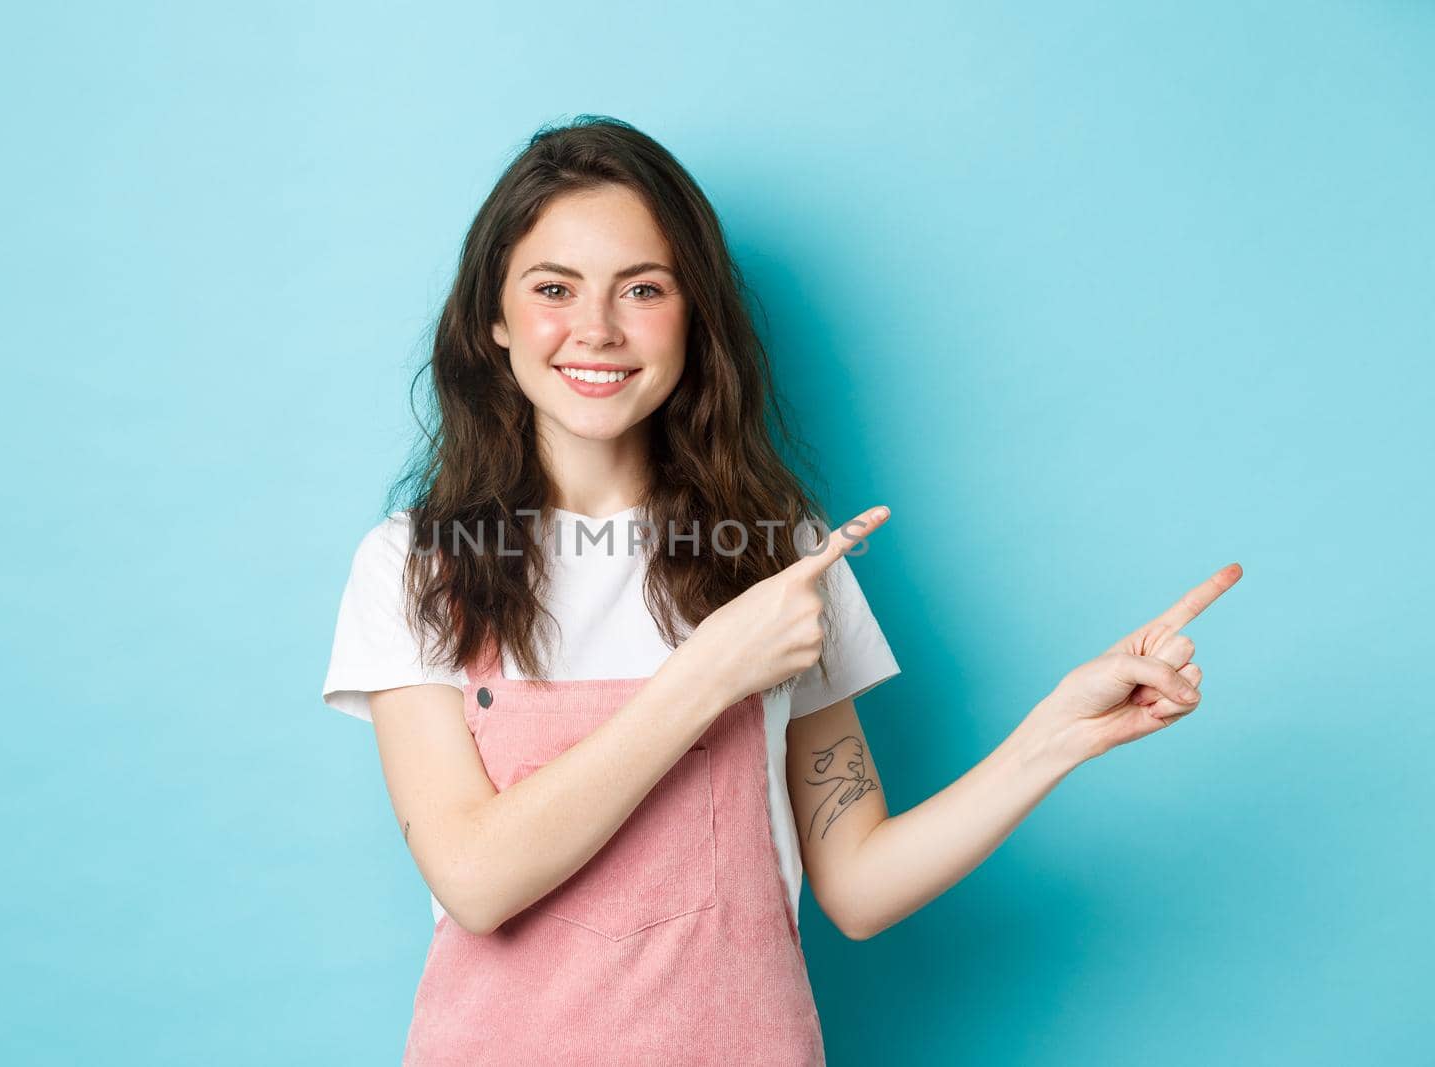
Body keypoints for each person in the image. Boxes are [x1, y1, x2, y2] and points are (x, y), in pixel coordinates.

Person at [319, 116, 1242, 1066]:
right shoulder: (416, 564)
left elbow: (860, 883)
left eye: (643, 288)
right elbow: (475, 878)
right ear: (495, 319)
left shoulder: (782, 556)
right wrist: (711, 670)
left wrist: (1061, 730)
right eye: (553, 288)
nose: (595, 328)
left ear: (695, 316)